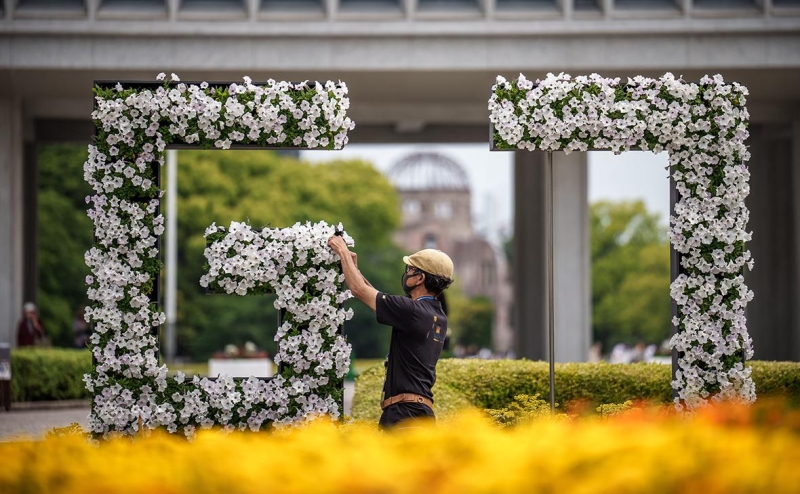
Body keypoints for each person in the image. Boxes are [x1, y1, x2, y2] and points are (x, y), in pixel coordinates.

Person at [327, 236, 453, 429]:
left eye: (410, 270)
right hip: (421, 414)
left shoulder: (412, 311)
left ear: (420, 278)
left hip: (403, 415)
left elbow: (359, 290)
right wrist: (353, 268)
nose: (407, 273)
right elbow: (373, 294)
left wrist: (342, 251)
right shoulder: (437, 314)